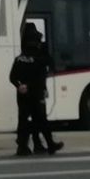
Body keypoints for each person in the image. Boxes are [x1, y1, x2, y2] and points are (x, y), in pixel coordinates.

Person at [9, 28, 63, 156]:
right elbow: (41, 76)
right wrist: (41, 89)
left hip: (22, 95)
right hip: (36, 94)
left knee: (23, 120)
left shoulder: (19, 59)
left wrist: (19, 85)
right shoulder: (40, 58)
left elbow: (12, 76)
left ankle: (22, 146)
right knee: (41, 120)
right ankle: (49, 144)